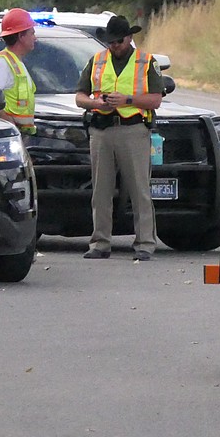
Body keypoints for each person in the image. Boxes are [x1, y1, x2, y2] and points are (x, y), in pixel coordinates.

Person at [74, 15, 164, 261]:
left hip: (133, 129)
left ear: (130, 38)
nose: (115, 46)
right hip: (101, 130)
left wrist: (127, 100)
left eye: (119, 41)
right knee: (100, 191)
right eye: (111, 42)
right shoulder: (97, 61)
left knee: (139, 189)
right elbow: (79, 96)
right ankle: (100, 243)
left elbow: (155, 99)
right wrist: (95, 104)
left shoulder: (146, 62)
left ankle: (145, 243)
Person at [0, 8, 38, 135]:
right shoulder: (2, 63)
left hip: (20, 133)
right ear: (21, 36)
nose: (35, 38)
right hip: (9, 134)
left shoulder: (15, 61)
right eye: (32, 33)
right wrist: (9, 123)